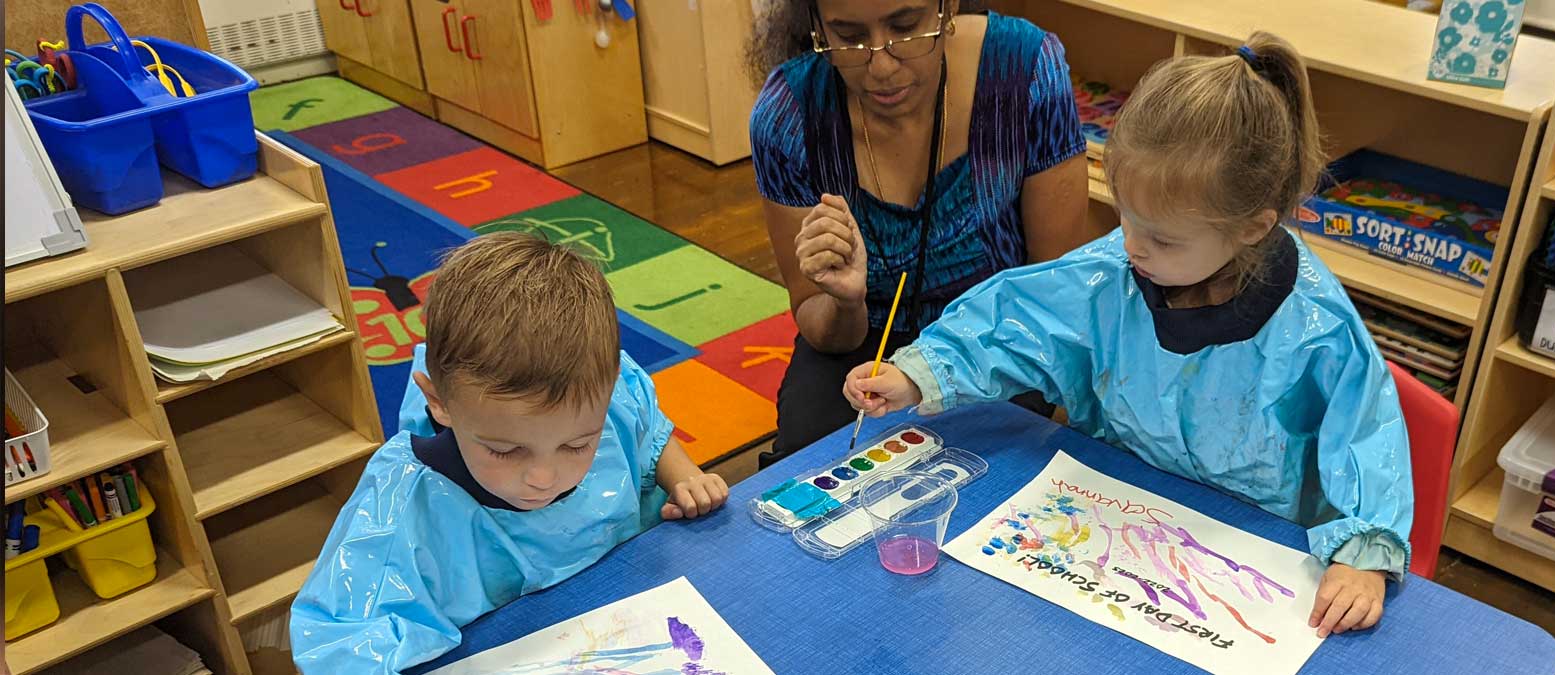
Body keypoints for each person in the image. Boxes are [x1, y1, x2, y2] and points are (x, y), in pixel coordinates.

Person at [842, 33, 1413, 638]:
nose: (1131, 246)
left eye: (1162, 238)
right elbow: (1016, 319)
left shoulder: (1315, 328)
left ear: (1252, 227)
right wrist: (922, 372)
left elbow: (1367, 439)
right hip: (1109, 519)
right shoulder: (1115, 270)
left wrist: (1364, 557)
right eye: (1124, 216)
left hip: (1251, 550)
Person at [290, 233, 730, 673]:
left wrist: (683, 474)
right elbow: (340, 648)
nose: (544, 476)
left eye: (577, 445)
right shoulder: (400, 511)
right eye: (504, 451)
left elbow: (647, 431)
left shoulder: (607, 396)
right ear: (439, 402)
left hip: (632, 613)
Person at [748, 0, 1099, 466]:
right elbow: (819, 325)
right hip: (859, 343)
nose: (881, 64)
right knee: (810, 464)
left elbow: (1050, 291)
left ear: (947, 6)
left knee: (988, 473)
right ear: (816, 26)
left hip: (997, 336)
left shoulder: (1025, 68)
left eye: (905, 26)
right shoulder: (788, 116)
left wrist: (941, 372)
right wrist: (845, 301)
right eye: (849, 36)